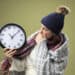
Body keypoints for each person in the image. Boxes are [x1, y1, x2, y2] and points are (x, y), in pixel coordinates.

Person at [1, 5, 70, 75]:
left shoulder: (61, 50)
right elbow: (24, 63)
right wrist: (10, 59)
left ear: (54, 32)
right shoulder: (35, 38)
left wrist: (40, 44)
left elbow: (53, 72)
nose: (40, 31)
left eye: (45, 29)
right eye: (41, 27)